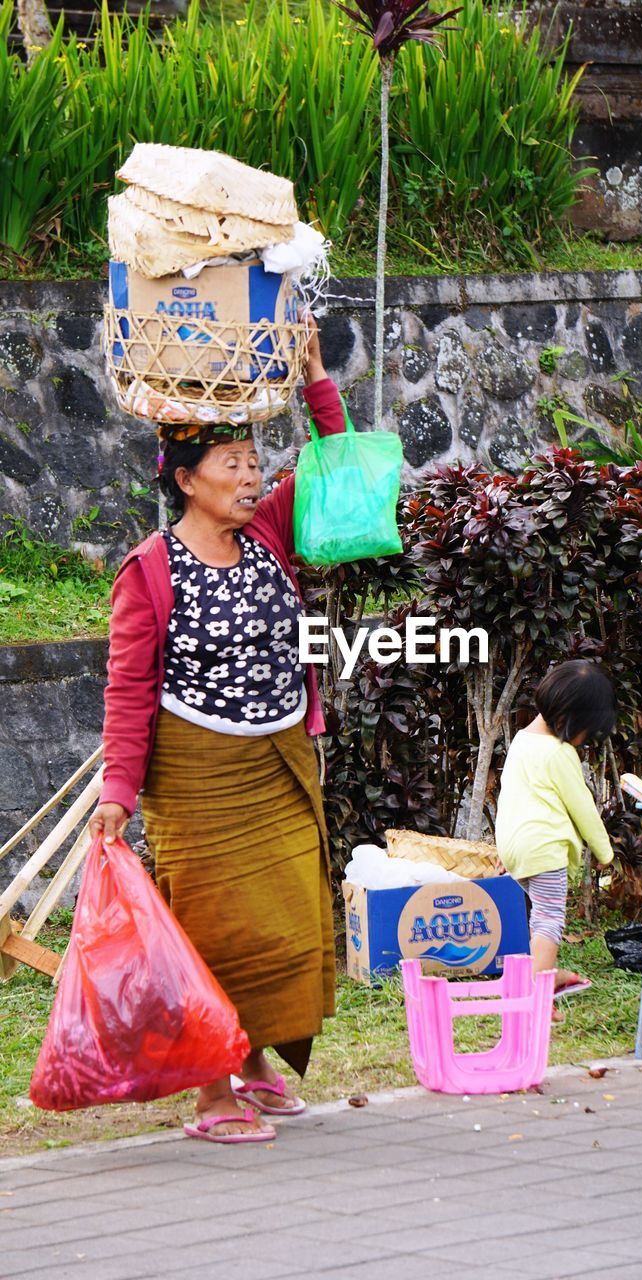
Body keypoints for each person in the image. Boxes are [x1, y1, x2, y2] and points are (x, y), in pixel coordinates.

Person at [89, 318, 344, 1144]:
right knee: (217, 931)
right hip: (198, 778)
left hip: (278, 760)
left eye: (252, 462)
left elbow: (334, 471)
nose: (250, 474)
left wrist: (314, 378)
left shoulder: (270, 534)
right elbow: (128, 691)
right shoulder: (150, 572)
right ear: (188, 480)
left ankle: (257, 1058)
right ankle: (210, 1085)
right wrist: (117, 794)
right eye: (232, 464)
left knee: (287, 922)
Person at [495, 660, 616, 1014]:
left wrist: (504, 846)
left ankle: (550, 974)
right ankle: (537, 1001)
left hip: (516, 847)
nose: (584, 741)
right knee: (548, 921)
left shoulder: (521, 741)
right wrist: (606, 852)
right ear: (571, 720)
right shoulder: (559, 753)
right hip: (544, 849)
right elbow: (583, 808)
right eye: (586, 732)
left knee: (537, 919)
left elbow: (509, 796)